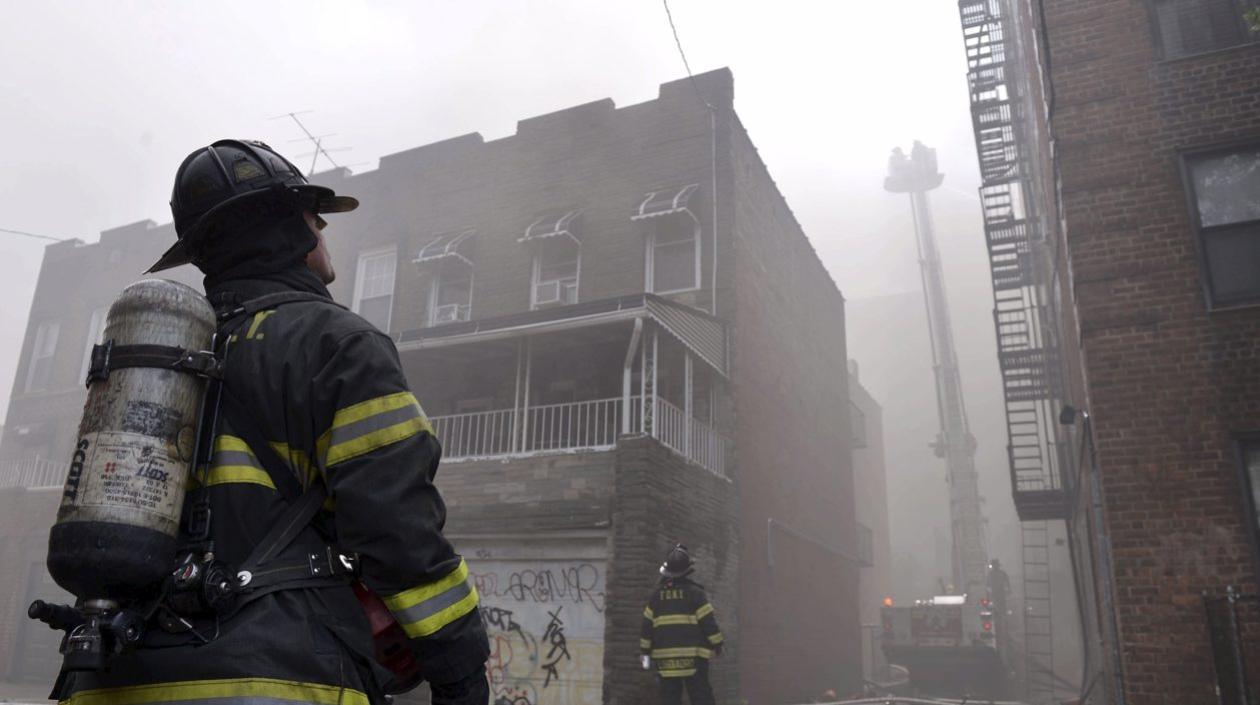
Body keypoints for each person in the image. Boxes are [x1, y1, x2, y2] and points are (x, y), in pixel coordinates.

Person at [56, 140, 488, 705]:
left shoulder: (161, 353)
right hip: (276, 677)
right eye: (316, 218)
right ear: (292, 230)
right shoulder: (339, 345)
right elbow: (399, 532)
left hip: (108, 682)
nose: (322, 234)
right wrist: (461, 673)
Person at [640, 544, 723, 705]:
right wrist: (718, 644)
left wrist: (645, 653)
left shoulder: (656, 596)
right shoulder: (696, 593)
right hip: (694, 660)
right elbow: (708, 624)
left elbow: (646, 628)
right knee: (701, 698)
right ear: (687, 570)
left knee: (670, 699)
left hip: (665, 662)